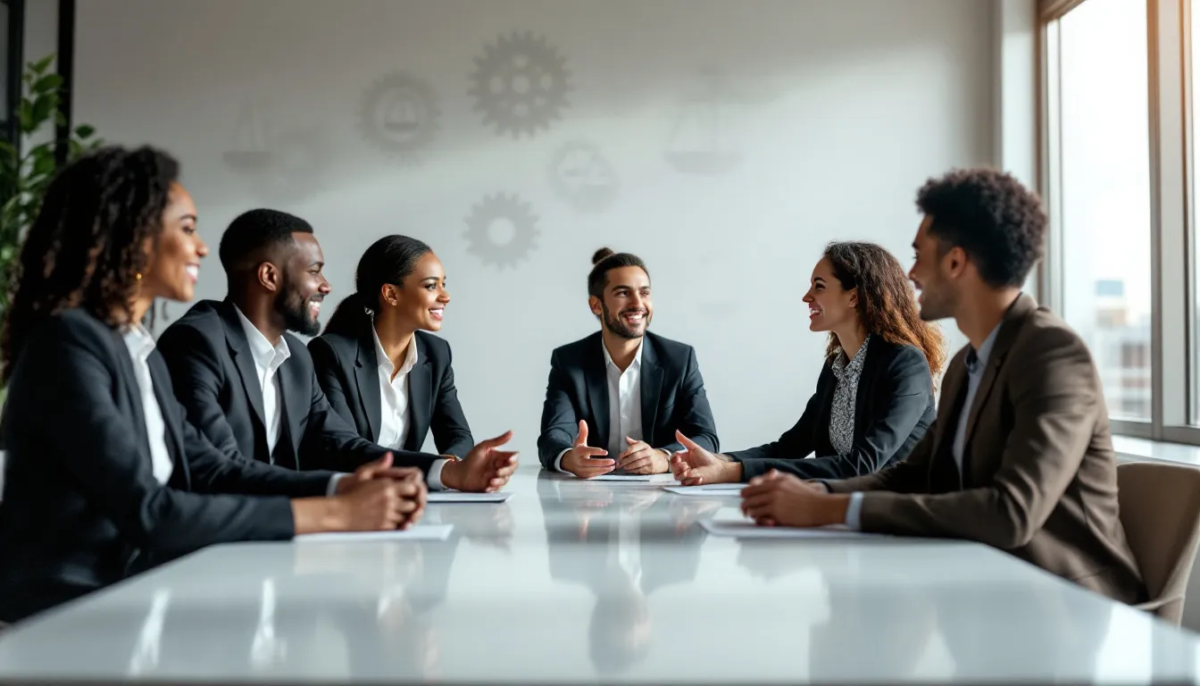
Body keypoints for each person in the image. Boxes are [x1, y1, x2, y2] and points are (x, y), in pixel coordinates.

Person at [0, 146, 428, 624]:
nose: (202, 247)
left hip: (136, 597)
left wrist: (340, 485)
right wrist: (337, 515)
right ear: (132, 238)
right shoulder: (68, 345)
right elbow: (150, 510)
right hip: (67, 617)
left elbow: (211, 470)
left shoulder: (135, 347)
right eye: (187, 229)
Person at [734, 168, 1145, 603]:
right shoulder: (967, 364)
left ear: (955, 262)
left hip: (1071, 605)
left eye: (918, 255)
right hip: (981, 583)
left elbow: (1012, 512)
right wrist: (812, 494)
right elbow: (914, 475)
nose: (909, 273)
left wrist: (832, 508)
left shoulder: (1052, 354)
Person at [156, 210, 515, 493]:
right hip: (210, 557)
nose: (326, 286)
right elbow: (218, 469)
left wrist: (450, 472)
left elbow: (342, 445)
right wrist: (338, 492)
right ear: (269, 277)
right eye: (314, 272)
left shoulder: (294, 357)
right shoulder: (197, 341)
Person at [671, 241, 943, 484]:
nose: (806, 297)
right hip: (845, 513)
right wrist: (720, 460)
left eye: (819, 287)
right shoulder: (835, 368)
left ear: (854, 296)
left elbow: (862, 466)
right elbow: (787, 448)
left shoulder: (906, 364)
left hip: (897, 522)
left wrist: (733, 473)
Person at [538, 248, 719, 478]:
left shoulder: (680, 360)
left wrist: (664, 457)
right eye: (623, 293)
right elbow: (553, 436)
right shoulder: (569, 362)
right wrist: (567, 457)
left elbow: (706, 438)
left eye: (644, 293)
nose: (638, 303)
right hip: (591, 497)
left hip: (663, 497)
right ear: (596, 305)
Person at [309, 235, 473, 460]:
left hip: (406, 491)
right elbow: (346, 448)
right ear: (391, 294)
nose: (445, 296)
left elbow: (458, 436)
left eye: (443, 284)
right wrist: (436, 469)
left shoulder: (437, 354)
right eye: (431, 286)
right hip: (350, 491)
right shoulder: (331, 354)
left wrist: (455, 464)